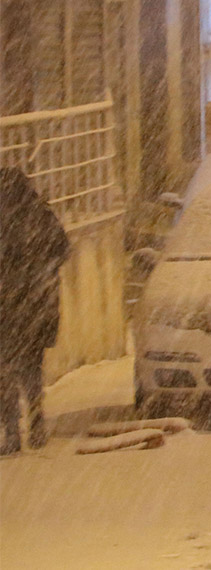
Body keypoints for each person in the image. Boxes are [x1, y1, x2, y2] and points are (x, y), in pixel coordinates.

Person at [0, 167, 70, 455]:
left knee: (5, 372)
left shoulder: (6, 218)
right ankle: (37, 423)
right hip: (34, 306)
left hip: (7, 307)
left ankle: (12, 432)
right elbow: (63, 248)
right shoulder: (39, 213)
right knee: (30, 369)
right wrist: (44, 275)